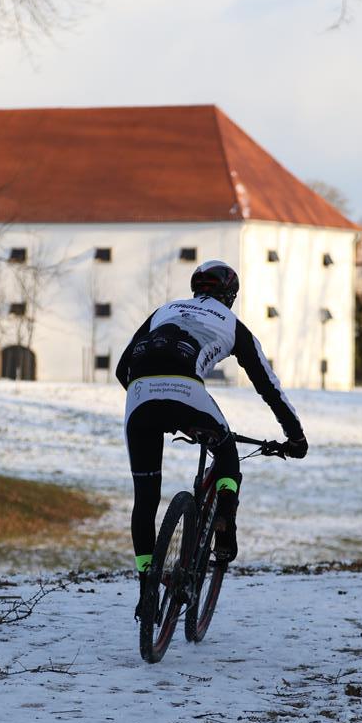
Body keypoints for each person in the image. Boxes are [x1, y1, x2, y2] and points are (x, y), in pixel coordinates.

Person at [116, 260, 308, 611]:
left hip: (139, 395)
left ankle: (147, 585)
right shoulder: (234, 325)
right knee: (228, 453)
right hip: (188, 393)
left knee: (145, 500)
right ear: (230, 296)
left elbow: (121, 367)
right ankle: (225, 527)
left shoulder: (165, 310)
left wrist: (151, 395)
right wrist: (295, 438)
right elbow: (268, 386)